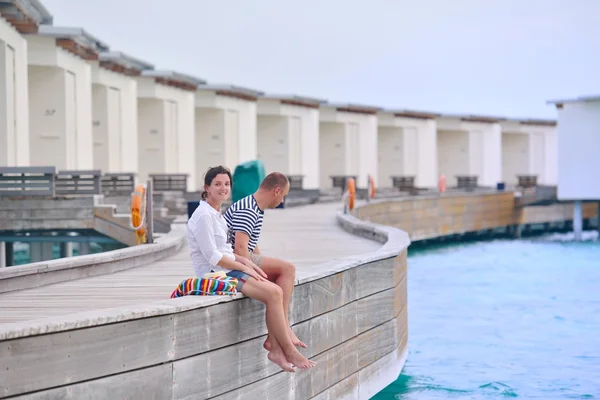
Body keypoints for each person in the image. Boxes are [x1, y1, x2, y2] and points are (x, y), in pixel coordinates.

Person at [186, 165, 315, 372]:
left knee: (275, 290)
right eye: (218, 184)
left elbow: (228, 251)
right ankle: (288, 350)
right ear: (207, 188)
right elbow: (213, 257)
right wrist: (245, 266)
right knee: (274, 292)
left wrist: (247, 264)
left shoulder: (216, 215)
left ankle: (277, 349)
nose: (223, 188)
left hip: (227, 269)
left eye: (227, 184)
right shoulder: (204, 216)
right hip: (215, 275)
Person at [223, 172, 305, 352]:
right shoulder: (248, 210)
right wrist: (256, 273)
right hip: (233, 261)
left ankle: (275, 335)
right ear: (276, 191)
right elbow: (240, 249)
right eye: (283, 196)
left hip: (243, 256)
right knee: (288, 269)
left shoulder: (254, 206)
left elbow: (252, 246)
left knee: (283, 271)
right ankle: (283, 328)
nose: (282, 201)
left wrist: (264, 267)